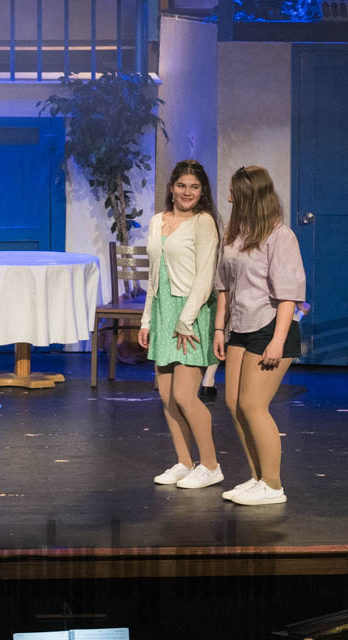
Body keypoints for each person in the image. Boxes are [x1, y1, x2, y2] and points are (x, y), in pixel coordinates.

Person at [213, 166, 305, 506]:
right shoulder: (235, 234)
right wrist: (219, 328)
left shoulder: (281, 236)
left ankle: (273, 484)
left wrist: (277, 341)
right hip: (240, 326)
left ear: (252, 197)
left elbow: (288, 296)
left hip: (269, 327)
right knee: (235, 405)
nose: (229, 198)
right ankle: (257, 477)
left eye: (235, 193)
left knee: (253, 405)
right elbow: (224, 286)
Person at [138, 160, 222, 489]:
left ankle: (211, 465)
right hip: (163, 311)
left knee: (186, 396)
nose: (187, 192)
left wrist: (186, 320)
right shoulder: (157, 220)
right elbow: (154, 276)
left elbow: (205, 276)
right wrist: (147, 319)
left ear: (202, 192)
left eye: (194, 187)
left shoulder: (204, 222)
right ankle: (185, 462)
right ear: (172, 187)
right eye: (182, 185)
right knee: (167, 396)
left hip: (191, 311)